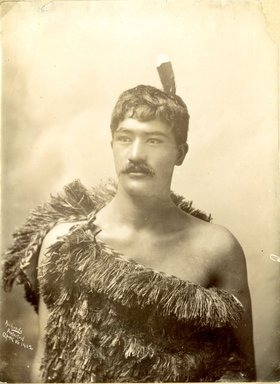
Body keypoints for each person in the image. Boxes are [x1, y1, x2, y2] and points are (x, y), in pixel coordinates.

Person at [3, 84, 256, 382]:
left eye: (154, 140)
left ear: (180, 153)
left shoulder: (217, 248)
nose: (136, 154)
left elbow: (242, 371)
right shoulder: (63, 243)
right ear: (112, 145)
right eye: (125, 138)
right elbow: (47, 365)